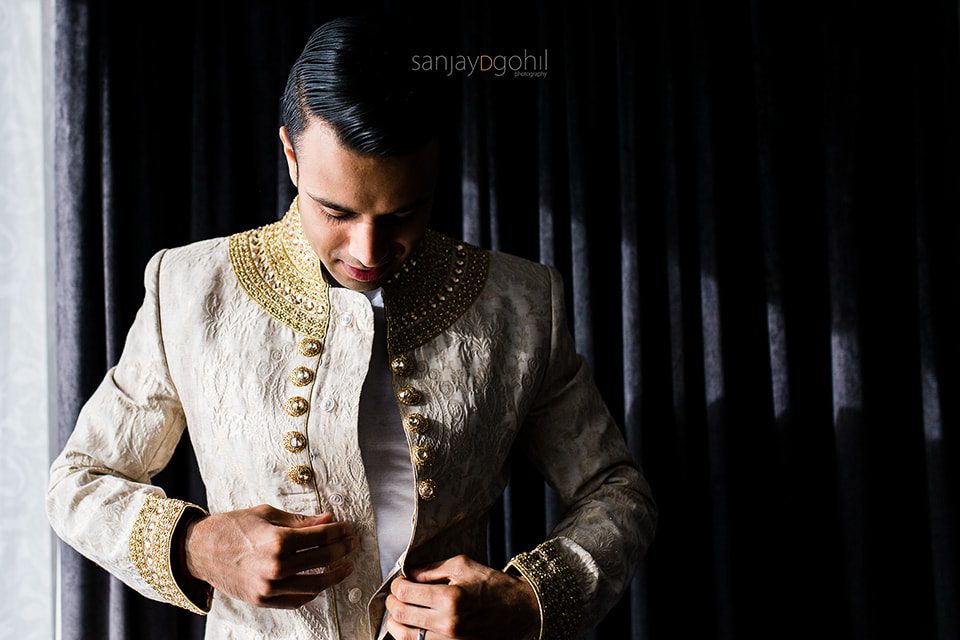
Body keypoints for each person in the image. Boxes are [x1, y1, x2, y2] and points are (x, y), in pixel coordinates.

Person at [46, 16, 657, 640]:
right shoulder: (190, 287)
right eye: (335, 210)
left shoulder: (519, 302)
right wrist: (195, 545)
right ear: (289, 153)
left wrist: (528, 600)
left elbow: (617, 490)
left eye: (403, 213)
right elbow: (79, 481)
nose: (367, 248)